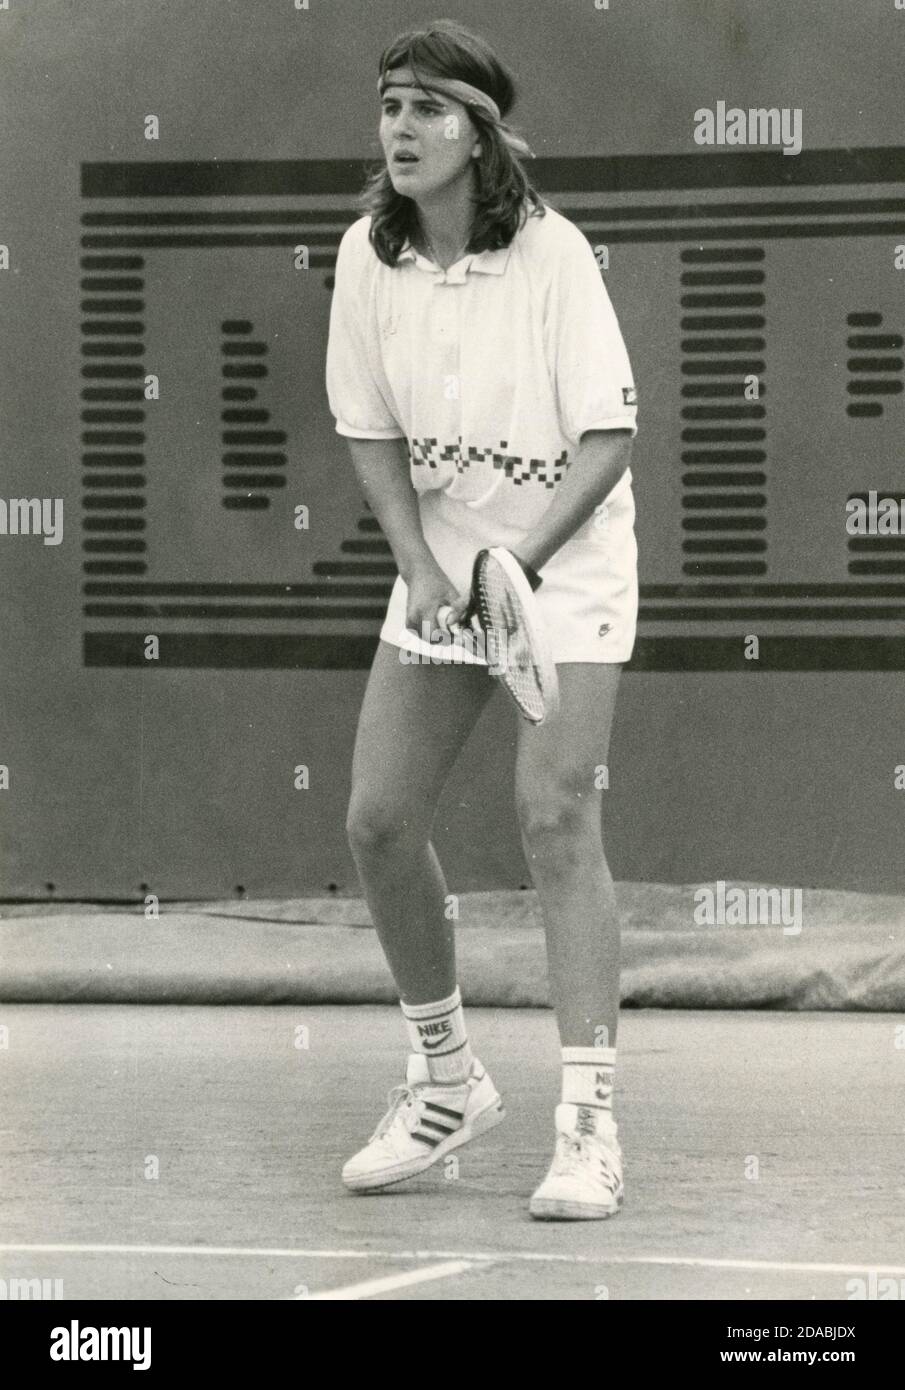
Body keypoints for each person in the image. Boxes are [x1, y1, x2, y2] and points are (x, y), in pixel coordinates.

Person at [325, 18, 639, 1220]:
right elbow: (369, 425)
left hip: (567, 553)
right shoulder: (369, 254)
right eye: (388, 106)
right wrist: (417, 562)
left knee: (552, 814)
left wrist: (520, 563)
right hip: (449, 558)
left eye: (424, 109)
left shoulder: (553, 255)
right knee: (377, 819)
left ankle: (588, 1123)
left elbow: (607, 437)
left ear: (476, 132)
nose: (399, 129)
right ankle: (446, 1080)